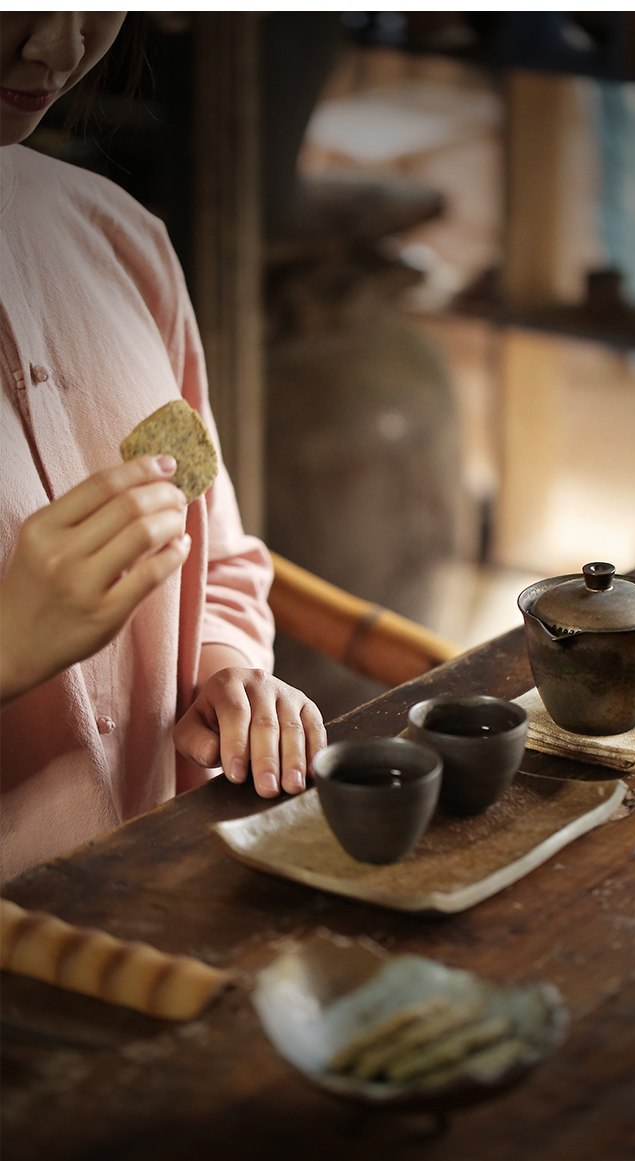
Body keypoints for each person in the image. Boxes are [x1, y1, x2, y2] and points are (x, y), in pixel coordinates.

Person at [0, 12, 327, 882]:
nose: (57, 49)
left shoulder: (122, 241)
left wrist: (226, 673)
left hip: (165, 889)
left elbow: (217, 564)